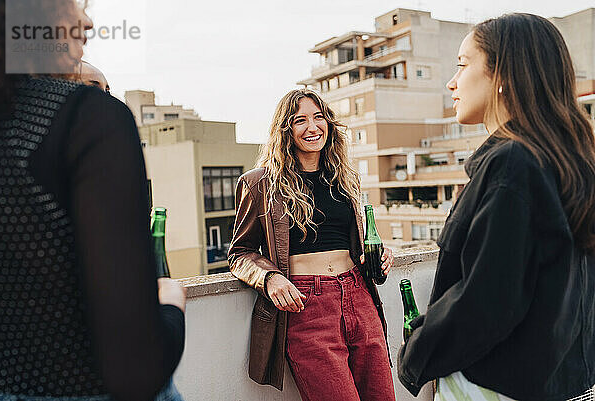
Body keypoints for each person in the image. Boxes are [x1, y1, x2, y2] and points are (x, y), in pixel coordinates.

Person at [397, 13, 595, 401]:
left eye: (462, 64)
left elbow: (488, 300)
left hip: (499, 386)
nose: (452, 82)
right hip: (568, 382)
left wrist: (415, 353)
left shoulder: (513, 164)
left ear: (503, 73)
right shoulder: (571, 161)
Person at [0, 1, 186, 400]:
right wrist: (171, 307)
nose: (87, 22)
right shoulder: (86, 121)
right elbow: (136, 370)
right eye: (71, 5)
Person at [228, 89, 398, 401]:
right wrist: (269, 277)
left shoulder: (344, 179)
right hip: (308, 306)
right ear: (286, 130)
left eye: (319, 117)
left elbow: (354, 242)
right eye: (300, 120)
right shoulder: (259, 183)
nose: (312, 127)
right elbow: (240, 253)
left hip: (359, 296)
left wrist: (378, 256)